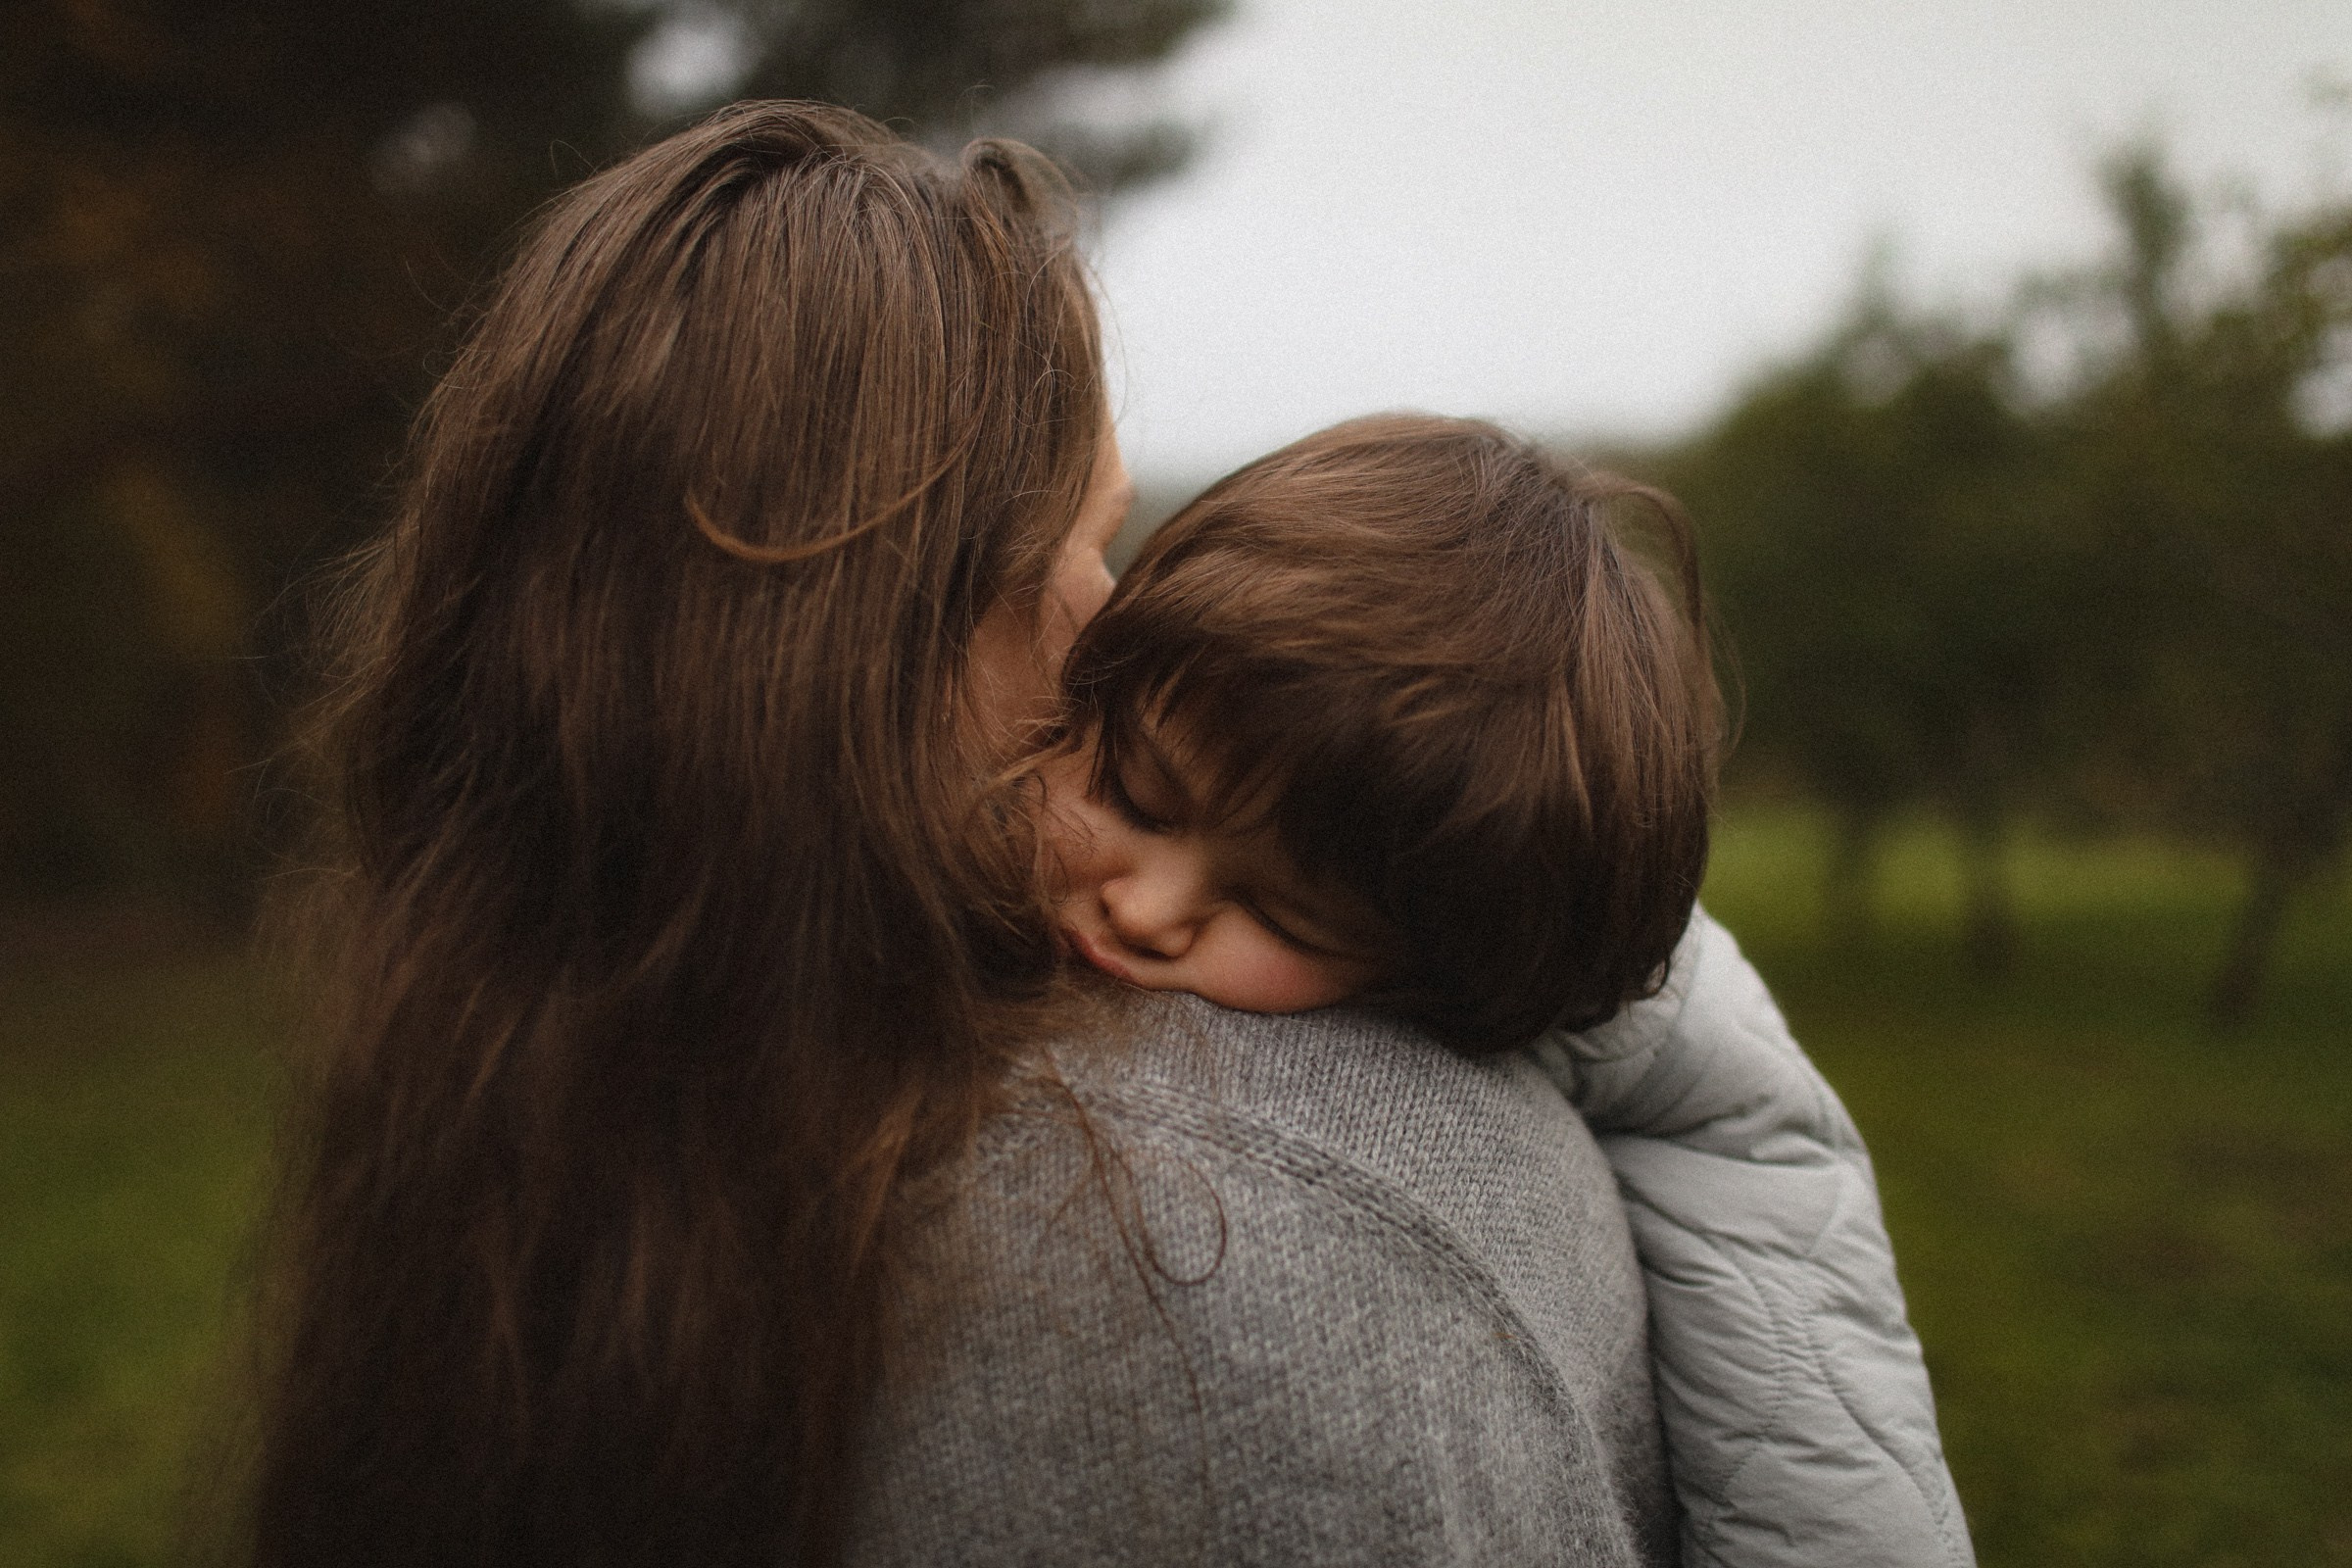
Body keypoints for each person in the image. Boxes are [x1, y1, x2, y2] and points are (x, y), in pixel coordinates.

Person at [233, 98, 1898, 1568]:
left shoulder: (1235, 1265)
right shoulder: (996, 1250)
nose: (1112, 616)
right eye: (1069, 547)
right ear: (828, 654)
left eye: (1118, 531)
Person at [1040, 415, 1976, 1567]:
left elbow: (1824, 1439)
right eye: (1134, 793)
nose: (1148, 908)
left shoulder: (1515, 974)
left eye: (1280, 917)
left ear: (1432, 974)